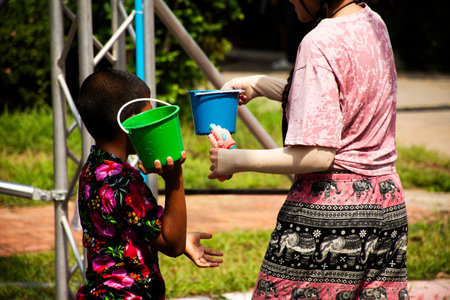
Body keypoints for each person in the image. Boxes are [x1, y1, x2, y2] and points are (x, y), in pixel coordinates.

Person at [209, 0, 408, 298]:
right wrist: (260, 85)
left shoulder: (318, 41)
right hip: (387, 208)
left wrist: (234, 160)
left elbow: (318, 154)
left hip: (332, 216)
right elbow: (343, 100)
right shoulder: (372, 22)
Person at [75, 69, 223, 299]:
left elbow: (130, 229)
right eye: (148, 113)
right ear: (129, 122)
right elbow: (171, 244)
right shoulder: (124, 181)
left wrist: (183, 239)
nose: (153, 118)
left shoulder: (93, 169)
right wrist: (175, 180)